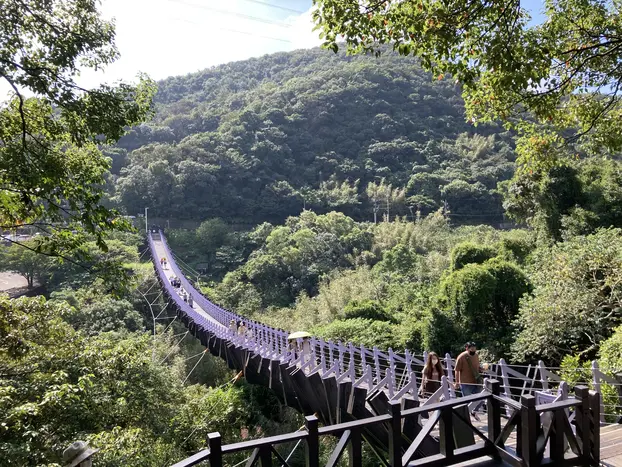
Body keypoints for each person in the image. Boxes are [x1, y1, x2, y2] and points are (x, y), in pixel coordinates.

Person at [454, 342, 485, 420]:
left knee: (481, 398)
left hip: (476, 381)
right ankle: (464, 418)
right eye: (471, 348)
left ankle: (473, 411)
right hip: (465, 382)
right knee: (467, 401)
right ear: (467, 348)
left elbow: (477, 366)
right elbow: (457, 370)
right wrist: (457, 382)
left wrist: (481, 369)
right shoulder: (461, 357)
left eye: (474, 348)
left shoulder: (476, 355)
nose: (473, 350)